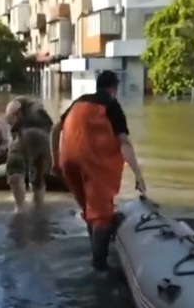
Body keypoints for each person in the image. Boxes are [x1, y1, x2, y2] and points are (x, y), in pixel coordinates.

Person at [51, 70, 145, 271]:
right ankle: (99, 270)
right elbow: (124, 143)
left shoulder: (78, 102)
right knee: (101, 218)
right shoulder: (111, 105)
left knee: (89, 211)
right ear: (114, 88)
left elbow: (55, 129)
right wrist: (138, 175)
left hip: (69, 161)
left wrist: (56, 161)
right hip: (93, 163)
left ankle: (95, 252)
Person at [3, 96, 55, 213]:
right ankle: (38, 207)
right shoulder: (39, 107)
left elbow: (13, 111)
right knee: (38, 174)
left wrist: (13, 130)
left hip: (28, 133)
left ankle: (20, 208)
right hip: (47, 137)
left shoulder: (17, 102)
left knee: (15, 168)